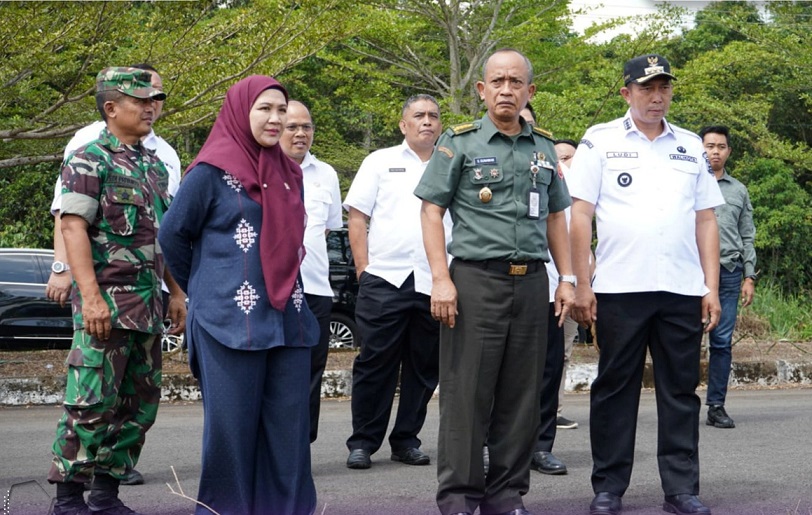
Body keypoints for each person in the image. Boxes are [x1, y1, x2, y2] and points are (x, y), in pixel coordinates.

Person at [416, 48, 574, 515]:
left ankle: (506, 494)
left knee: (522, 395)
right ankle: (459, 497)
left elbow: (556, 218)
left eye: (516, 82)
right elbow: (431, 211)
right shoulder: (459, 143)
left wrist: (567, 278)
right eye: (498, 82)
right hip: (474, 282)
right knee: (466, 394)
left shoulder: (543, 148)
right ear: (483, 90)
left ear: (530, 90)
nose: (507, 90)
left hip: (531, 283)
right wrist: (441, 279)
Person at [567, 54, 723, 515]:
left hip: (681, 288)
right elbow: (580, 214)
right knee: (615, 388)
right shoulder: (600, 140)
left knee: (680, 391)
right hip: (620, 287)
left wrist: (711, 287)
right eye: (646, 88)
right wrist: (581, 283)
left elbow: (706, 219)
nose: (657, 97)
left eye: (664, 88)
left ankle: (681, 489)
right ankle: (608, 488)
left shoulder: (690, 145)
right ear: (627, 92)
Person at [158, 76, 319, 515]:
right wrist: (209, 289)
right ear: (240, 111)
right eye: (264, 108)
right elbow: (172, 236)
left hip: (287, 319)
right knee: (232, 433)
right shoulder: (209, 172)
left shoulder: (290, 173)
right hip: (227, 323)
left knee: (288, 433)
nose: (275, 118)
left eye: (281, 110)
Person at [47, 67, 183, 515]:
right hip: (105, 306)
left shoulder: (154, 166)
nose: (150, 108)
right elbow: (72, 227)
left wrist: (176, 293)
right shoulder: (88, 159)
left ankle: (106, 496)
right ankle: (69, 499)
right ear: (111, 108)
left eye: (154, 101)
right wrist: (90, 298)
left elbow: (164, 238)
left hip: (148, 306)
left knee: (138, 409)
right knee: (90, 405)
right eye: (140, 101)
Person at [343, 94, 448, 470]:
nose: (427, 121)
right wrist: (363, 269)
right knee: (375, 361)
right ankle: (363, 442)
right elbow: (357, 217)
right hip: (385, 278)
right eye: (419, 115)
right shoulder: (379, 161)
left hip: (435, 281)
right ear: (404, 125)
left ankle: (406, 440)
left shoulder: (452, 162)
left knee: (425, 366)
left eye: (433, 115)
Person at [279, 100, 343, 443]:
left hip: (316, 287)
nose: (300, 133)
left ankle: (301, 447)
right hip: (274, 289)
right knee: (277, 369)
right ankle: (273, 447)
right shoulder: (260, 169)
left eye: (306, 127)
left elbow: (327, 229)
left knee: (311, 369)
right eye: (292, 127)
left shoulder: (326, 174)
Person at [699, 124, 756, 429]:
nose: (715, 152)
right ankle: (681, 404)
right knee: (685, 339)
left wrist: (749, 276)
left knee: (721, 342)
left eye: (721, 147)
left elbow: (747, 235)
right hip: (693, 273)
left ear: (729, 151)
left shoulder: (738, 190)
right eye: (709, 146)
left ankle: (716, 406)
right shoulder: (688, 183)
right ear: (700, 149)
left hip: (730, 272)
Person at [552, 138, 582, 431]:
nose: (562, 163)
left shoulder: (582, 194)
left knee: (562, 353)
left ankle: (554, 410)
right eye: (558, 157)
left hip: (570, 284)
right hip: (538, 282)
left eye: (568, 157)